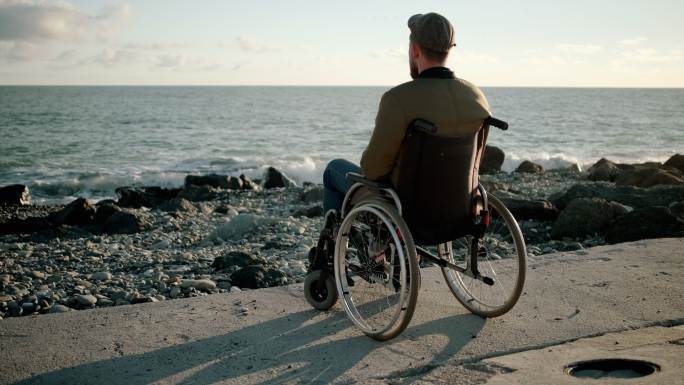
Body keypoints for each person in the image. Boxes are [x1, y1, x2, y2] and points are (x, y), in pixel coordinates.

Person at [322, 12, 491, 218]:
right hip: (459, 205)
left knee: (333, 170)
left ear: (414, 49)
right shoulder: (476, 96)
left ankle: (334, 245)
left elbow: (373, 170)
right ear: (450, 49)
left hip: (406, 209)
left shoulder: (399, 99)